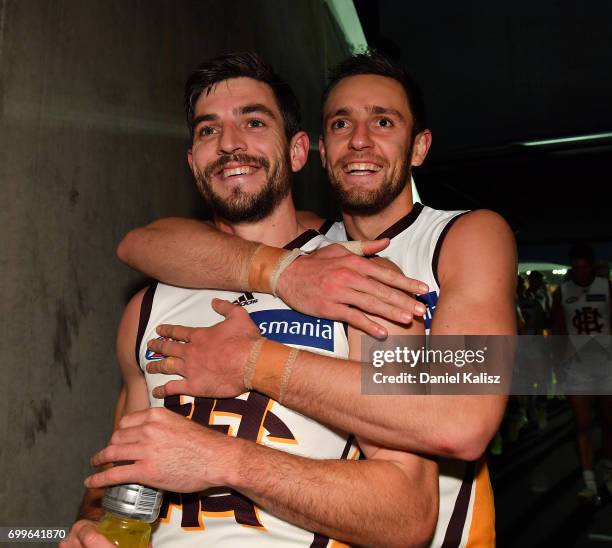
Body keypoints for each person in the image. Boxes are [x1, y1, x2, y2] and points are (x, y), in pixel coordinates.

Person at [115, 50, 517, 545]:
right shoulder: (317, 251)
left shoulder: (464, 236)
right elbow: (141, 243)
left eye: (384, 121)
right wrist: (285, 272)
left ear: (419, 146)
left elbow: (462, 421)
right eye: (342, 123)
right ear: (321, 149)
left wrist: (252, 361)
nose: (361, 140)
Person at [551, 243, 612, 504]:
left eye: (584, 267)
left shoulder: (606, 287)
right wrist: (558, 366)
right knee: (583, 423)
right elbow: (558, 330)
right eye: (576, 268)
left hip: (606, 363)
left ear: (592, 265)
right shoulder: (563, 292)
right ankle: (589, 482)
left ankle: (608, 471)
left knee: (609, 421)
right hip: (578, 366)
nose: (581, 272)